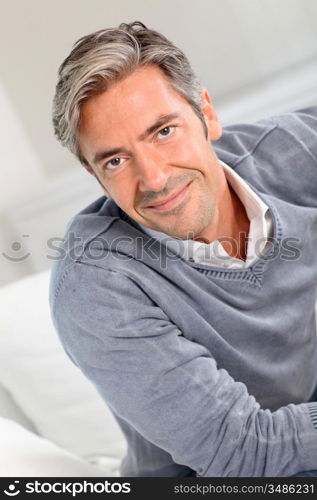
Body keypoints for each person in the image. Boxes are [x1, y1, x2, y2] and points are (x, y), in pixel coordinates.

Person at [49, 21, 317, 477]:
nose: (154, 179)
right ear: (95, 175)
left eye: (163, 131)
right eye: (115, 160)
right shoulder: (95, 284)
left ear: (207, 115)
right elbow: (245, 451)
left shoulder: (295, 152)